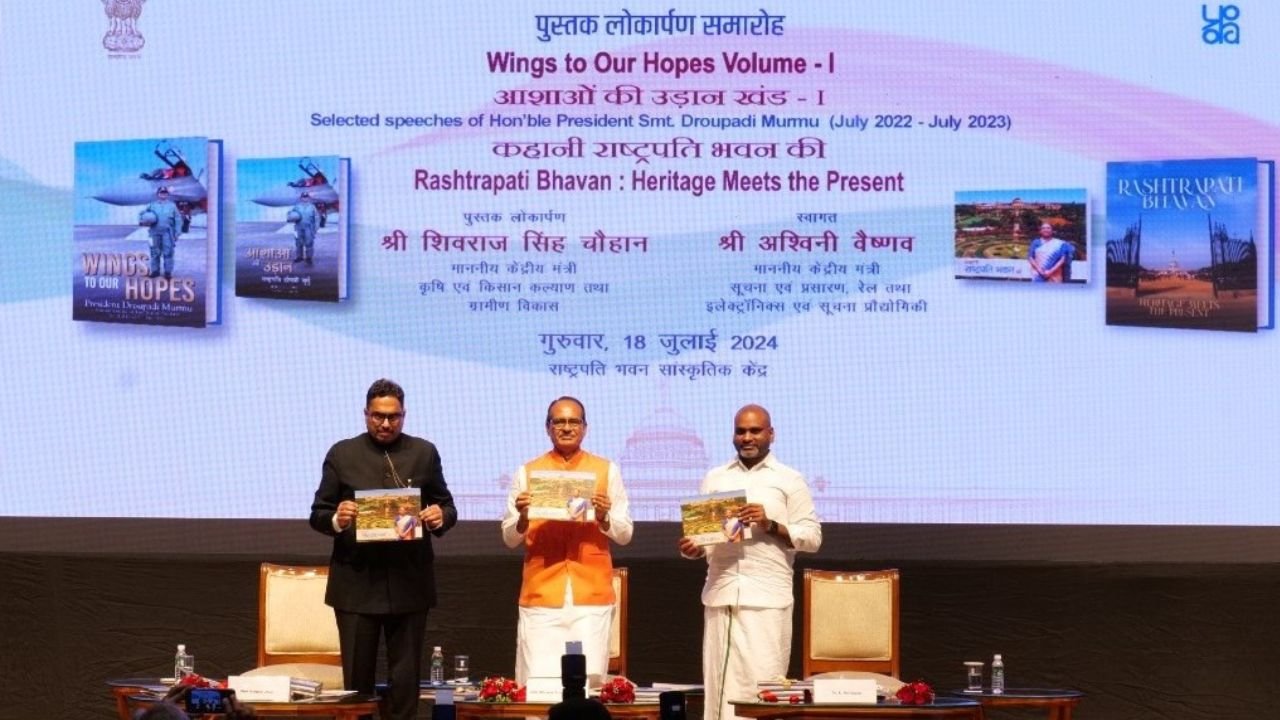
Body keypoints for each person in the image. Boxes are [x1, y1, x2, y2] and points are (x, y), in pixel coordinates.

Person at [309, 378, 457, 720]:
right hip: (356, 584)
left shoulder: (424, 452)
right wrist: (338, 519)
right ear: (365, 414)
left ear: (404, 415)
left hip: (409, 583)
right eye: (378, 416)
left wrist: (439, 516)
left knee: (405, 682)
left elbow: (447, 507)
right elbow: (318, 514)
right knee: (358, 687)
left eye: (394, 416)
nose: (386, 423)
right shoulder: (342, 453)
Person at [678, 405, 822, 720]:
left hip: (768, 597)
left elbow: (812, 537)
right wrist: (694, 547)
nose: (747, 437)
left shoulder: (789, 479)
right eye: (740, 431)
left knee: (764, 687)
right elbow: (706, 540)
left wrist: (770, 524)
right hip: (722, 593)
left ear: (771, 434)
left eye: (755, 431)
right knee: (721, 688)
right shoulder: (716, 478)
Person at [502, 396, 633, 685]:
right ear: (547, 428)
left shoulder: (606, 470)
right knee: (538, 681)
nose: (566, 427)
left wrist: (604, 516)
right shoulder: (527, 472)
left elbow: (625, 534)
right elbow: (509, 537)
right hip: (541, 591)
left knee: (586, 683)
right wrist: (523, 517)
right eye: (559, 421)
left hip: (591, 593)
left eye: (574, 421)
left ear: (585, 428)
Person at [141, 185, 181, 279]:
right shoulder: (152, 205)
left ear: (167, 194)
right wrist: (142, 220)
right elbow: (142, 214)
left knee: (168, 252)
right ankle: (155, 271)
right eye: (161, 193)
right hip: (154, 232)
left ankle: (168, 272)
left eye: (165, 193)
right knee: (154, 252)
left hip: (167, 232)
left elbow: (178, 219)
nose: (163, 194)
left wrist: (177, 232)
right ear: (158, 194)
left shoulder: (172, 205)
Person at [290, 190, 320, 265]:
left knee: (309, 243)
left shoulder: (312, 207)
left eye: (306, 197)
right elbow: (292, 215)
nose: (305, 199)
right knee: (298, 243)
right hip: (298, 227)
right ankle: (299, 257)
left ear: (308, 198)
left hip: (309, 228)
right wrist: (290, 217)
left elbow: (316, 218)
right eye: (303, 197)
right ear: (301, 198)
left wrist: (315, 228)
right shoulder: (297, 206)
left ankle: (309, 258)